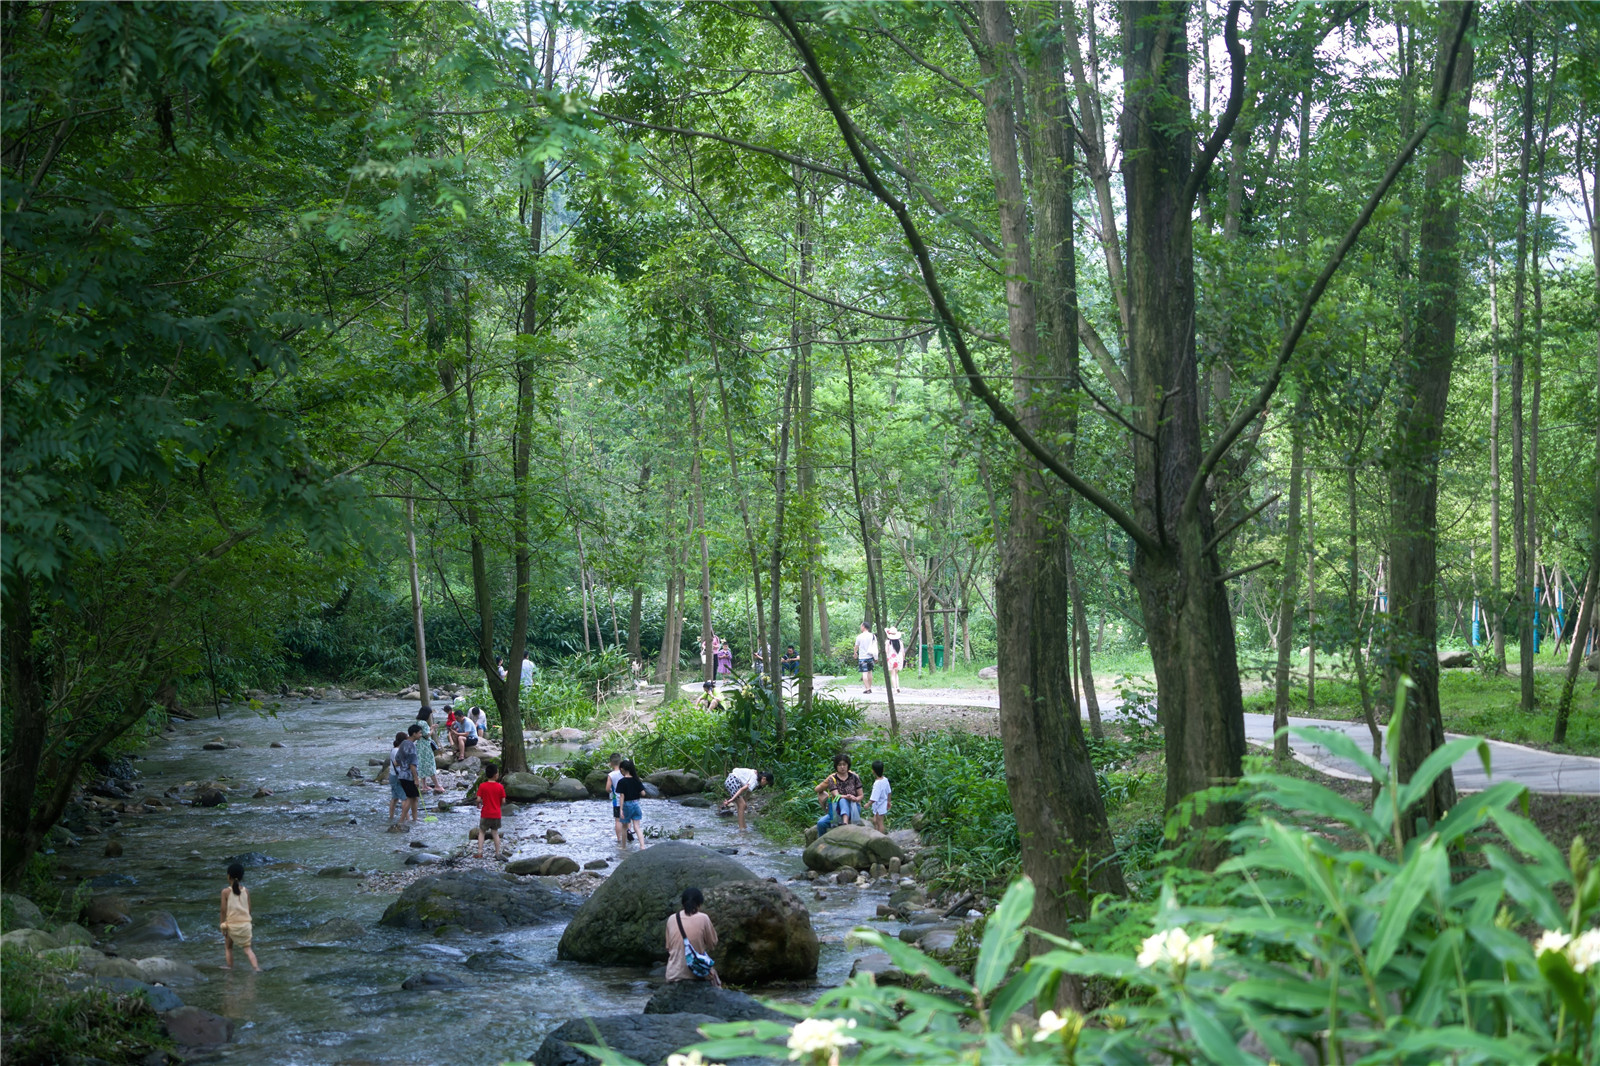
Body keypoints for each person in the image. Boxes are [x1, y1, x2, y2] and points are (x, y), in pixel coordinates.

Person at [665, 886, 720, 987]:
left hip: (673, 974)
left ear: (683, 903)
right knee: (714, 978)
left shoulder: (672, 919)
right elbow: (712, 944)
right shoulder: (704, 918)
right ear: (699, 903)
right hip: (696, 974)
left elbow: (669, 947)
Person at [219, 862, 261, 971]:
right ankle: (256, 968)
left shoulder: (225, 892)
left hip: (231, 925)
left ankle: (230, 967)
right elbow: (249, 909)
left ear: (228, 876)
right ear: (242, 877)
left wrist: (222, 924)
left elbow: (223, 910)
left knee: (228, 947)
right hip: (245, 925)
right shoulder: (246, 891)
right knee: (248, 949)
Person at [815, 754, 864, 835]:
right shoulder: (832, 779)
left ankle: (845, 823)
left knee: (843, 800)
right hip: (837, 809)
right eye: (839, 765)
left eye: (844, 764)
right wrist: (848, 796)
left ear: (848, 765)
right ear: (836, 766)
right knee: (821, 823)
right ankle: (821, 841)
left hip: (853, 807)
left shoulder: (854, 777)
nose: (842, 767)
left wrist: (855, 799)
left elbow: (861, 795)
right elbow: (837, 795)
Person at [476, 761, 507, 859]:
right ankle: (497, 853)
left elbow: (478, 799)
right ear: (495, 775)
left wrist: (478, 804)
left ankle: (480, 852)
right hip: (496, 814)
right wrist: (498, 806)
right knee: (495, 833)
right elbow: (503, 801)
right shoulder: (500, 787)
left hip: (485, 813)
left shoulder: (482, 786)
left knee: (482, 832)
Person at [615, 759, 647, 849]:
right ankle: (642, 846)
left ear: (622, 769)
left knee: (624, 827)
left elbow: (622, 796)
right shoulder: (636, 780)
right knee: (637, 826)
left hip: (627, 805)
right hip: (636, 804)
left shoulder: (622, 781)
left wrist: (621, 809)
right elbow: (643, 793)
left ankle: (623, 847)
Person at [394, 724, 422, 823]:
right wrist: (416, 779)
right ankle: (401, 821)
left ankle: (415, 819)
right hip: (409, 776)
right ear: (414, 734)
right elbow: (412, 765)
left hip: (402, 775)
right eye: (420, 733)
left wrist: (403, 765)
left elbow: (397, 760)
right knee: (410, 799)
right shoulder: (412, 746)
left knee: (414, 798)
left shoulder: (403, 743)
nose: (421, 735)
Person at [414, 707, 443, 794]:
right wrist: (433, 729)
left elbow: (422, 733)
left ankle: (424, 785)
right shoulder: (424, 723)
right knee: (430, 763)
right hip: (426, 746)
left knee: (422, 764)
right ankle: (437, 785)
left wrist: (430, 727)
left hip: (420, 745)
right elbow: (427, 735)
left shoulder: (418, 722)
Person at [387, 730, 409, 824]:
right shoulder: (397, 751)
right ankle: (407, 819)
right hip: (397, 777)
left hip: (393, 776)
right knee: (405, 799)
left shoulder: (394, 749)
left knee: (395, 798)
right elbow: (397, 763)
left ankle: (391, 817)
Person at [606, 752, 626, 846]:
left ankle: (619, 839)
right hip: (627, 800)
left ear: (611, 763)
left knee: (618, 820)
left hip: (617, 801)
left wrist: (611, 790)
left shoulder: (611, 775)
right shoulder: (625, 773)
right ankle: (628, 835)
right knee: (627, 819)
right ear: (621, 762)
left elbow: (607, 788)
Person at [854, 623, 878, 694]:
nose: (860, 627)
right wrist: (876, 657)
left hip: (862, 657)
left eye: (861, 626)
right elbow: (875, 646)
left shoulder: (859, 636)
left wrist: (855, 653)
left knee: (864, 673)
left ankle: (867, 688)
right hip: (870, 656)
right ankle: (869, 687)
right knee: (870, 672)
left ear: (863, 627)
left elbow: (856, 646)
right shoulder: (873, 636)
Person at [870, 760, 891, 833]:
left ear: (873, 771)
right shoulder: (885, 780)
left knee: (880, 822)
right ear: (883, 769)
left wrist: (868, 804)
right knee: (875, 821)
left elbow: (874, 797)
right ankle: (876, 834)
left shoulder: (877, 783)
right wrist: (889, 801)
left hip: (880, 804)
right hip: (882, 803)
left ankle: (881, 836)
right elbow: (889, 792)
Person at [884, 626, 905, 694]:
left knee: (892, 674)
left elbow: (886, 651)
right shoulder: (900, 642)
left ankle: (895, 689)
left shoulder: (888, 642)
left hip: (891, 659)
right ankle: (898, 686)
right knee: (896, 673)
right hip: (899, 658)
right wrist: (903, 659)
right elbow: (903, 652)